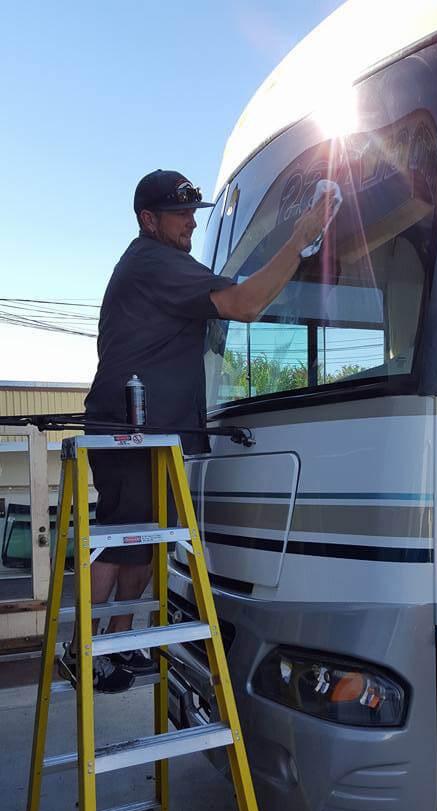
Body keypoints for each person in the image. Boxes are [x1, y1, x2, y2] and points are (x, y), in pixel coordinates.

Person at [61, 169, 334, 692]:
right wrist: (300, 239)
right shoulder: (155, 261)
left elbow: (238, 298)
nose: (190, 222)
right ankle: (83, 652)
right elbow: (246, 304)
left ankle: (123, 646)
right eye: (181, 213)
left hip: (154, 430)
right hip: (128, 428)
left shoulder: (166, 263)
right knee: (122, 541)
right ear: (149, 220)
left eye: (194, 213)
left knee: (145, 543)